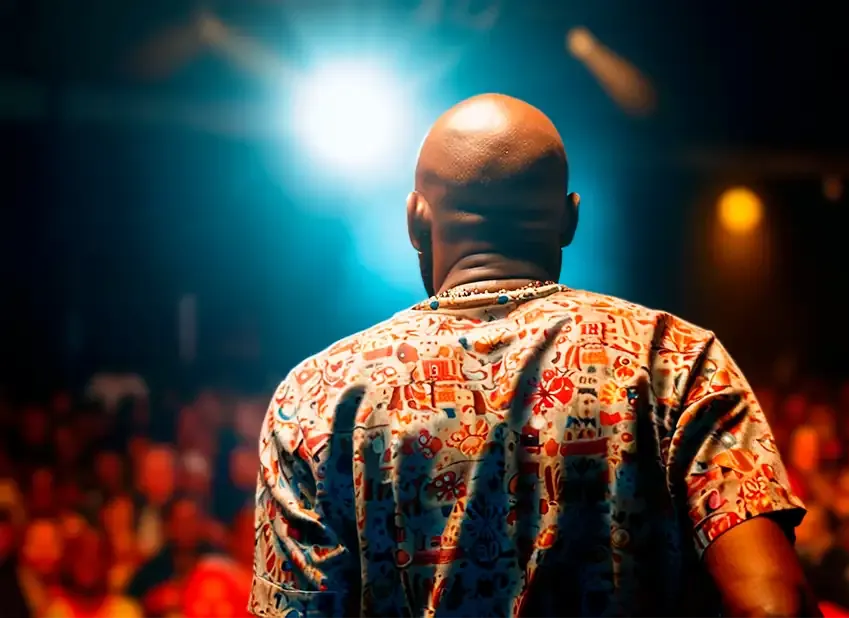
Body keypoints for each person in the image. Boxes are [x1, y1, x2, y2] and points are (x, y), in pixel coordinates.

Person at [250, 94, 818, 617]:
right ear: (569, 218)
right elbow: (771, 605)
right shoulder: (674, 359)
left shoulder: (318, 395)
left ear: (416, 220)